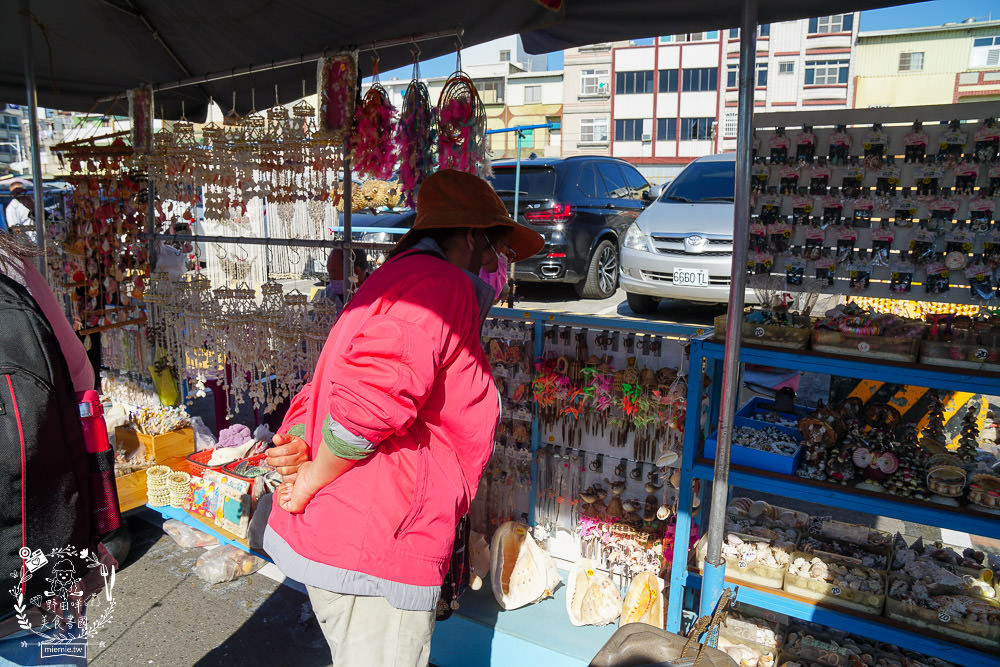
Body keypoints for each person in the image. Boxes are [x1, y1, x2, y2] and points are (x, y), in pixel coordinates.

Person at [262, 169, 542, 667]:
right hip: (378, 538)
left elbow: (332, 383)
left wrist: (303, 440)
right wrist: (308, 478)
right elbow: (361, 411)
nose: (492, 263)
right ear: (472, 236)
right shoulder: (436, 288)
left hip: (361, 532)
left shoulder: (394, 280)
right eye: (493, 249)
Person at [5, 179, 36, 245]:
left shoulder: (32, 202)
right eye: (17, 191)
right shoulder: (12, 207)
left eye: (22, 190)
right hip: (28, 243)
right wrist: (27, 242)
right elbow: (15, 228)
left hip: (40, 239)